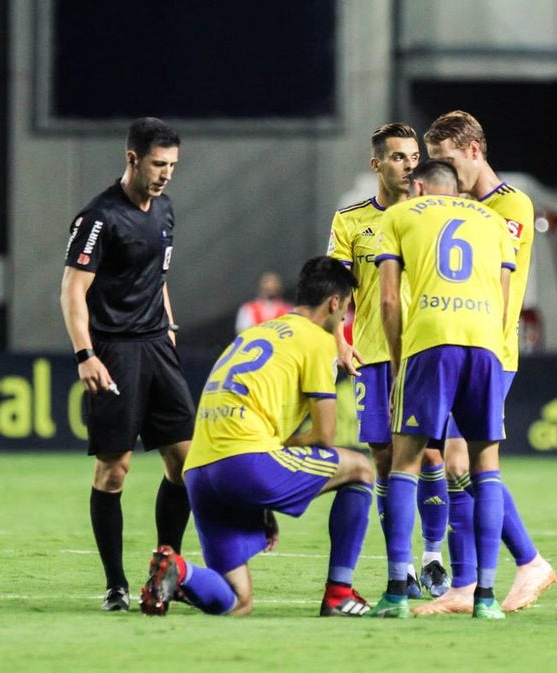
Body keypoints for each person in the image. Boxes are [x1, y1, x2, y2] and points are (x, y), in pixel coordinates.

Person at [139, 257, 375, 617]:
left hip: (200, 470)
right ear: (334, 304)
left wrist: (267, 475)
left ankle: (178, 571)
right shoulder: (315, 340)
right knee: (360, 468)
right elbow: (325, 436)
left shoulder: (254, 333)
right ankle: (339, 594)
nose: (342, 321)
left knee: (238, 601)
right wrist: (280, 452)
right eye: (344, 311)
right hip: (245, 463)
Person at [419, 110, 557, 614]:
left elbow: (494, 278)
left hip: (491, 349)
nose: (443, 172)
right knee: (454, 459)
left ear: (474, 151)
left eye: (447, 160)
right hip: (456, 346)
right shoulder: (458, 206)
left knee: (461, 456)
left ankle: (524, 562)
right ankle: (466, 583)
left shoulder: (509, 204)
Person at [59, 117, 196, 613]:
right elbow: (74, 289)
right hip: (114, 351)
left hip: (159, 346)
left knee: (185, 462)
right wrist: (85, 354)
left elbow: (157, 276)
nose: (166, 175)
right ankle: (115, 584)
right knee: (114, 470)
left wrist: (171, 328)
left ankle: (167, 569)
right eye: (159, 164)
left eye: (173, 166)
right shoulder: (99, 218)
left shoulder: (165, 210)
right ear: (132, 158)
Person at [367, 159, 514, 620]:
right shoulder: (494, 222)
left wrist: (396, 363)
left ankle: (395, 592)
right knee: (485, 465)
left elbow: (389, 298)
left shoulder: (399, 215)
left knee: (405, 460)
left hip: (431, 340)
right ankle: (486, 598)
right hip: (487, 343)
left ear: (420, 186)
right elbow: (506, 299)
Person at [326, 122, 452, 600]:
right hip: (375, 356)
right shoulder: (351, 221)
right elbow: (335, 290)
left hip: (422, 353)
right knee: (382, 459)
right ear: (376, 164)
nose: (408, 164)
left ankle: (433, 557)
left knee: (431, 454)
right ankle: (400, 565)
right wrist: (339, 338)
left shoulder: (434, 216)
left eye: (414, 156)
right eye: (398, 157)